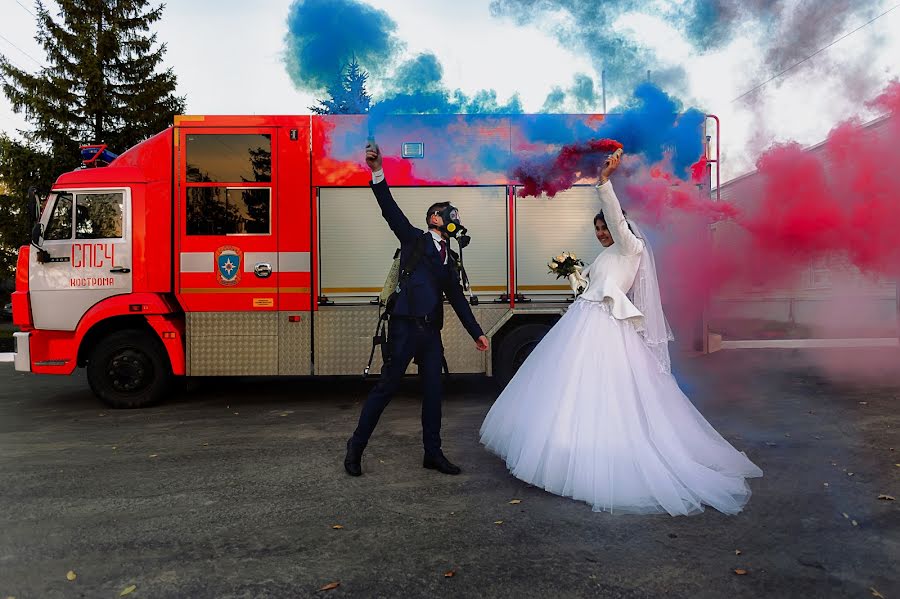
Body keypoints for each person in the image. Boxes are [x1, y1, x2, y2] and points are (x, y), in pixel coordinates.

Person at [479, 152, 763, 516]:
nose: (601, 233)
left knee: (609, 395)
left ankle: (600, 457)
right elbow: (597, 285)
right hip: (583, 321)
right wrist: (578, 280)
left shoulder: (632, 248)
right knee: (572, 390)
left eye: (606, 228)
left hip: (607, 328)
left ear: (622, 228)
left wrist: (604, 183)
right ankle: (568, 449)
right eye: (597, 230)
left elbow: (615, 220)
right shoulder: (605, 256)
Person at [345, 142, 490, 477]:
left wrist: (477, 333)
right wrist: (377, 172)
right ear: (434, 218)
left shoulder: (449, 258)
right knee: (386, 388)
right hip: (404, 328)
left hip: (430, 334)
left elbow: (456, 298)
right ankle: (355, 447)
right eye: (450, 214)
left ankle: (432, 453)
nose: (456, 220)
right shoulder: (413, 241)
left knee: (434, 393)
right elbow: (389, 209)